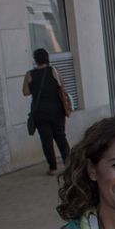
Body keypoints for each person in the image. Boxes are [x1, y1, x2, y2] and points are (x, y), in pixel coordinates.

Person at [23, 47, 73, 175]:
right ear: (47, 58)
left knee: (46, 140)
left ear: (35, 60)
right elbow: (62, 85)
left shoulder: (29, 74)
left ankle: (53, 168)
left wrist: (35, 88)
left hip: (40, 112)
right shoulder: (54, 71)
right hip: (57, 110)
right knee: (60, 136)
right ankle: (68, 164)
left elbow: (25, 92)